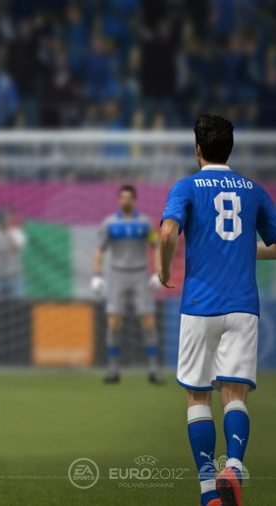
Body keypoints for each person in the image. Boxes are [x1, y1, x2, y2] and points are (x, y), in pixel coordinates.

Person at [159, 114, 276, 506]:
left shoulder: (187, 187)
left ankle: (209, 491)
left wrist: (164, 269)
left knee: (198, 398)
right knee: (235, 393)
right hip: (243, 305)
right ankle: (235, 466)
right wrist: (244, 250)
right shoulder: (253, 189)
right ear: (230, 148)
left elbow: (168, 232)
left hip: (199, 305)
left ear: (197, 149)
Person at [91, 185, 164, 384]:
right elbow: (100, 250)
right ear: (118, 200)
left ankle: (153, 369)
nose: (126, 200)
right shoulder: (109, 223)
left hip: (140, 274)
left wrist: (158, 272)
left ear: (134, 200)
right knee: (114, 321)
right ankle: (113, 369)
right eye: (122, 197)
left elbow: (156, 246)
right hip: (117, 274)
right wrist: (96, 275)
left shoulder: (145, 223)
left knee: (148, 321)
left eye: (129, 197)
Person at [0, 209, 27, 298]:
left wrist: (6, 232)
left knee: (17, 303)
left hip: (14, 276)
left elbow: (16, 247)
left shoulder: (16, 232)